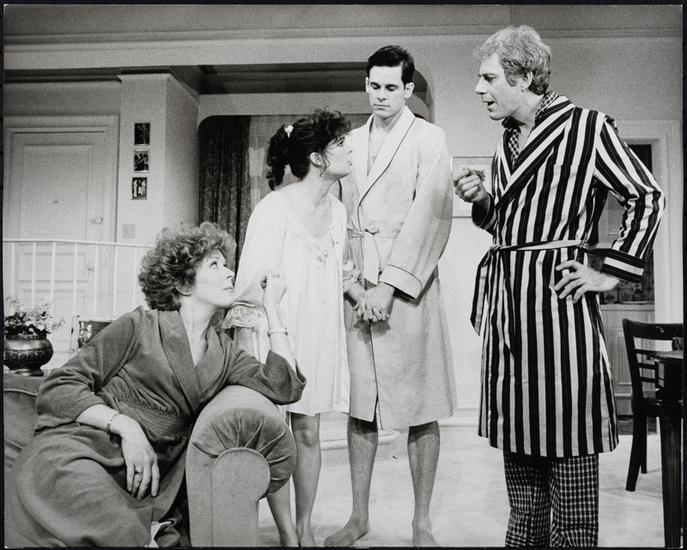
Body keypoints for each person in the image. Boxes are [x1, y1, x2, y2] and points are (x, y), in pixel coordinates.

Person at [454, 26, 665, 547]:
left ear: (524, 76)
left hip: (558, 315)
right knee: (522, 476)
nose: (479, 89)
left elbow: (647, 197)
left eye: (488, 78)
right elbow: (509, 229)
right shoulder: (507, 139)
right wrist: (483, 200)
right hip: (509, 314)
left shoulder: (587, 128)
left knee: (569, 461)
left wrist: (610, 272)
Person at [4, 222, 305, 547]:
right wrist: (127, 427)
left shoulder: (225, 352)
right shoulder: (138, 326)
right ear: (183, 283)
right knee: (119, 528)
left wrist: (272, 311)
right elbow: (60, 386)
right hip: (80, 453)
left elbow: (283, 386)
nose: (229, 272)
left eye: (226, 264)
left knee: (126, 527)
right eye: (215, 265)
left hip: (146, 477)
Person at [326, 45, 456, 547]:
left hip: (408, 289)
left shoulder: (428, 138)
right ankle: (358, 517)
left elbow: (432, 214)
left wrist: (389, 285)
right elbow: (335, 217)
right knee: (361, 407)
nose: (380, 96)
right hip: (358, 290)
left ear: (408, 88)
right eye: (373, 86)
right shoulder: (348, 143)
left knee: (420, 408)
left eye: (390, 87)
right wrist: (353, 285)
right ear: (366, 85)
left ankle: (422, 522)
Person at [225, 109, 367, 547]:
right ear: (317, 158)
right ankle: (287, 532)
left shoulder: (338, 210)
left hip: (319, 329)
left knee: (309, 431)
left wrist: (364, 296)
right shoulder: (274, 209)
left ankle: (304, 526)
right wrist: (256, 352)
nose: (349, 149)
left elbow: (339, 272)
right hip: (277, 332)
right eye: (339, 143)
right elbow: (250, 286)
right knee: (275, 433)